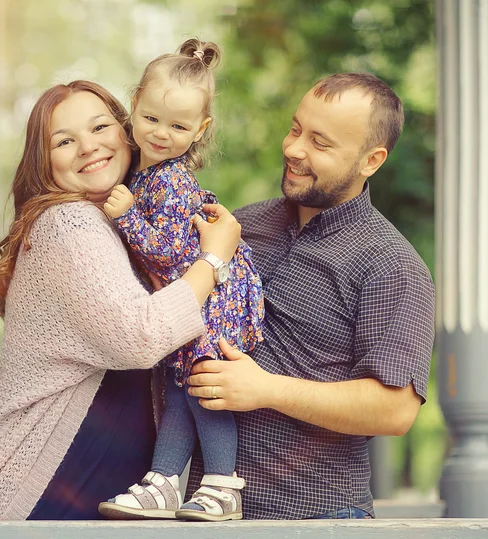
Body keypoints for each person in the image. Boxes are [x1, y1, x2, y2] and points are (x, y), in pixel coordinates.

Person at [0, 80, 241, 521]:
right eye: (64, 141)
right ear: (44, 161)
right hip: (44, 493)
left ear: (124, 130)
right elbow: (142, 335)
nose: (88, 147)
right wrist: (214, 257)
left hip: (96, 487)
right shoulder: (69, 224)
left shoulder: (124, 222)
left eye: (99, 127)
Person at [186, 72, 435, 520]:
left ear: (371, 160)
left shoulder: (392, 264)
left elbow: (394, 410)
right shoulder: (241, 228)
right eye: (296, 128)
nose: (294, 149)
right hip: (206, 518)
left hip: (321, 518)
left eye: (320, 143)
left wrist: (266, 389)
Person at [98, 39, 264, 522]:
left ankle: (221, 487)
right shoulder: (145, 173)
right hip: (193, 298)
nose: (161, 134)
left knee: (204, 388)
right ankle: (165, 481)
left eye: (178, 126)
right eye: (150, 119)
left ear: (201, 129)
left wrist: (127, 217)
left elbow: (168, 251)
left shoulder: (168, 181)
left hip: (213, 299)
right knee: (179, 389)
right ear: (134, 105)